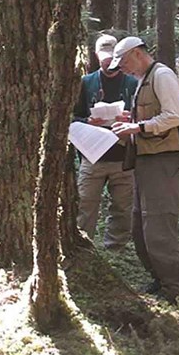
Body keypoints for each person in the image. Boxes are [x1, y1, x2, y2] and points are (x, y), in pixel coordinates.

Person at [109, 36, 179, 303]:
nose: (123, 69)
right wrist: (129, 119)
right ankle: (160, 277)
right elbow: (153, 113)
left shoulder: (162, 75)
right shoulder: (144, 79)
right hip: (146, 158)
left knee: (158, 224)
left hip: (163, 159)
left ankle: (175, 287)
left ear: (137, 54)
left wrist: (138, 127)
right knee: (140, 226)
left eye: (124, 63)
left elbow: (174, 115)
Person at [73, 34, 138, 250]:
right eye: (104, 58)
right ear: (96, 56)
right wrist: (89, 121)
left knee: (123, 207)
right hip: (92, 156)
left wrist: (130, 119)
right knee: (85, 204)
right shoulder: (86, 82)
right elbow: (72, 118)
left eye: (112, 58)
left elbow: (145, 118)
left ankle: (115, 249)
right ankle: (84, 248)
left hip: (123, 157)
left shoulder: (132, 82)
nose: (109, 62)